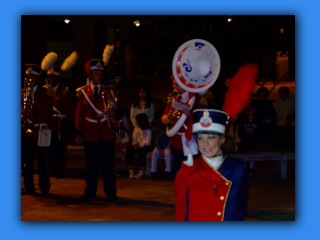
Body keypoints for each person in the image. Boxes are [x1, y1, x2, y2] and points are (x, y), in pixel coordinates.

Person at [175, 109, 249, 221]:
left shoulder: (238, 168)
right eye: (200, 138)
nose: (205, 143)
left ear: (222, 139)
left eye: (211, 137)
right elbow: (181, 211)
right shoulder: (187, 169)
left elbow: (241, 208)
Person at [74, 59, 118, 200]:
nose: (99, 76)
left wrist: (115, 113)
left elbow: (120, 107)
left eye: (101, 73)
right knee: (90, 165)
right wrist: (78, 133)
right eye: (97, 73)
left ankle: (110, 192)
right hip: (90, 133)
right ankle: (90, 191)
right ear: (90, 75)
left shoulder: (109, 90)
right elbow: (79, 114)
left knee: (108, 164)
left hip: (106, 132)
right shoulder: (83, 93)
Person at [161, 75, 207, 176]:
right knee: (180, 173)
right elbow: (165, 114)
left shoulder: (198, 100)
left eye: (177, 84)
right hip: (176, 142)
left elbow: (205, 120)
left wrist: (190, 115)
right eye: (173, 84)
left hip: (191, 142)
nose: (174, 87)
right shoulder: (173, 99)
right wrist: (165, 119)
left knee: (193, 173)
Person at [21, 64, 53, 195]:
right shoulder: (21, 92)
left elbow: (48, 111)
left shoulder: (44, 92)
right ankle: (29, 187)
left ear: (38, 78)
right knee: (26, 162)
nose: (30, 79)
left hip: (39, 131)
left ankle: (44, 188)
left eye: (33, 76)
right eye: (28, 76)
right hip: (25, 132)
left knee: (41, 161)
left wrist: (33, 114)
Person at [45, 65, 75, 179]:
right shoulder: (46, 89)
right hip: (49, 123)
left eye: (52, 77)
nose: (50, 79)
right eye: (49, 77)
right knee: (49, 148)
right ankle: (51, 169)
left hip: (59, 124)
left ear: (57, 78)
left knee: (60, 148)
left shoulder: (64, 91)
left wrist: (70, 124)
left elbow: (70, 109)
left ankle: (61, 169)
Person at [126, 113, 152, 179]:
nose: (135, 121)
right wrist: (135, 144)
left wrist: (140, 146)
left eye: (136, 120)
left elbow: (147, 141)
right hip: (138, 145)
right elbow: (135, 138)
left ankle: (142, 169)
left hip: (145, 146)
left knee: (142, 152)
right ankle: (131, 169)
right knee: (129, 149)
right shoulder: (137, 128)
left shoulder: (148, 129)